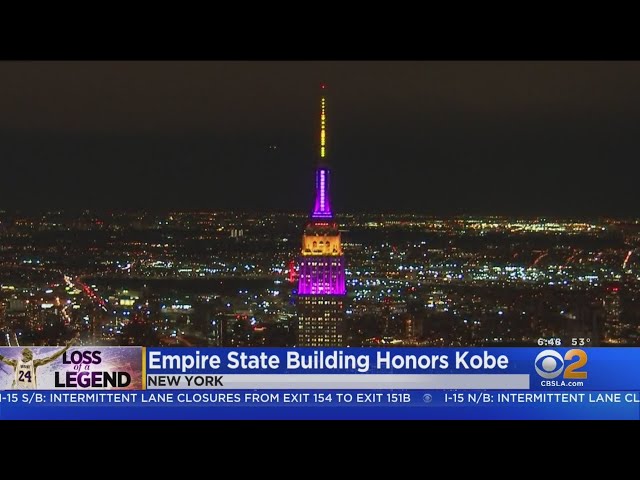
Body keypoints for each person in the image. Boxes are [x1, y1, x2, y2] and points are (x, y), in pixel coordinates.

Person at [0, 337, 77, 389]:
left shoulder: (15, 363)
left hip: (17, 392)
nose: (32, 355)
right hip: (29, 392)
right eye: (31, 354)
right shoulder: (34, 363)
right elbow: (51, 358)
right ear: (27, 354)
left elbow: (3, 358)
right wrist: (66, 348)